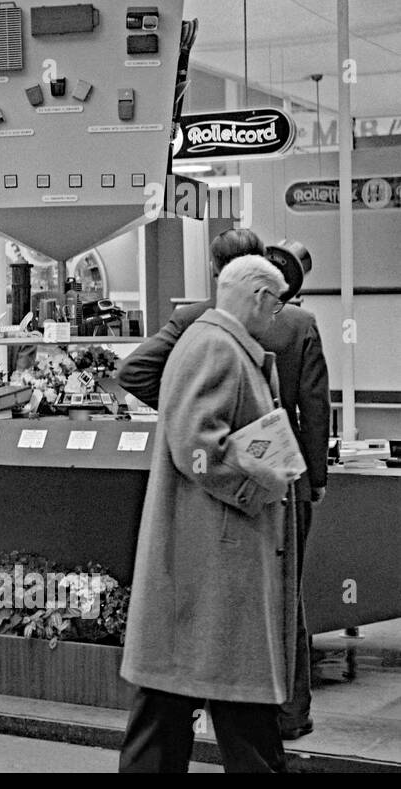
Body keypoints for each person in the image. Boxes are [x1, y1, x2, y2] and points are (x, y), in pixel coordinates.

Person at [118, 228, 329, 741]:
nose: (277, 309)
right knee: (279, 605)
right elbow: (314, 406)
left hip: (236, 497)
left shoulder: (190, 321)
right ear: (259, 285)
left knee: (215, 626)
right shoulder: (291, 325)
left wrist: (168, 411)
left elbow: (135, 370)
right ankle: (292, 712)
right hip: (269, 487)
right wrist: (314, 478)